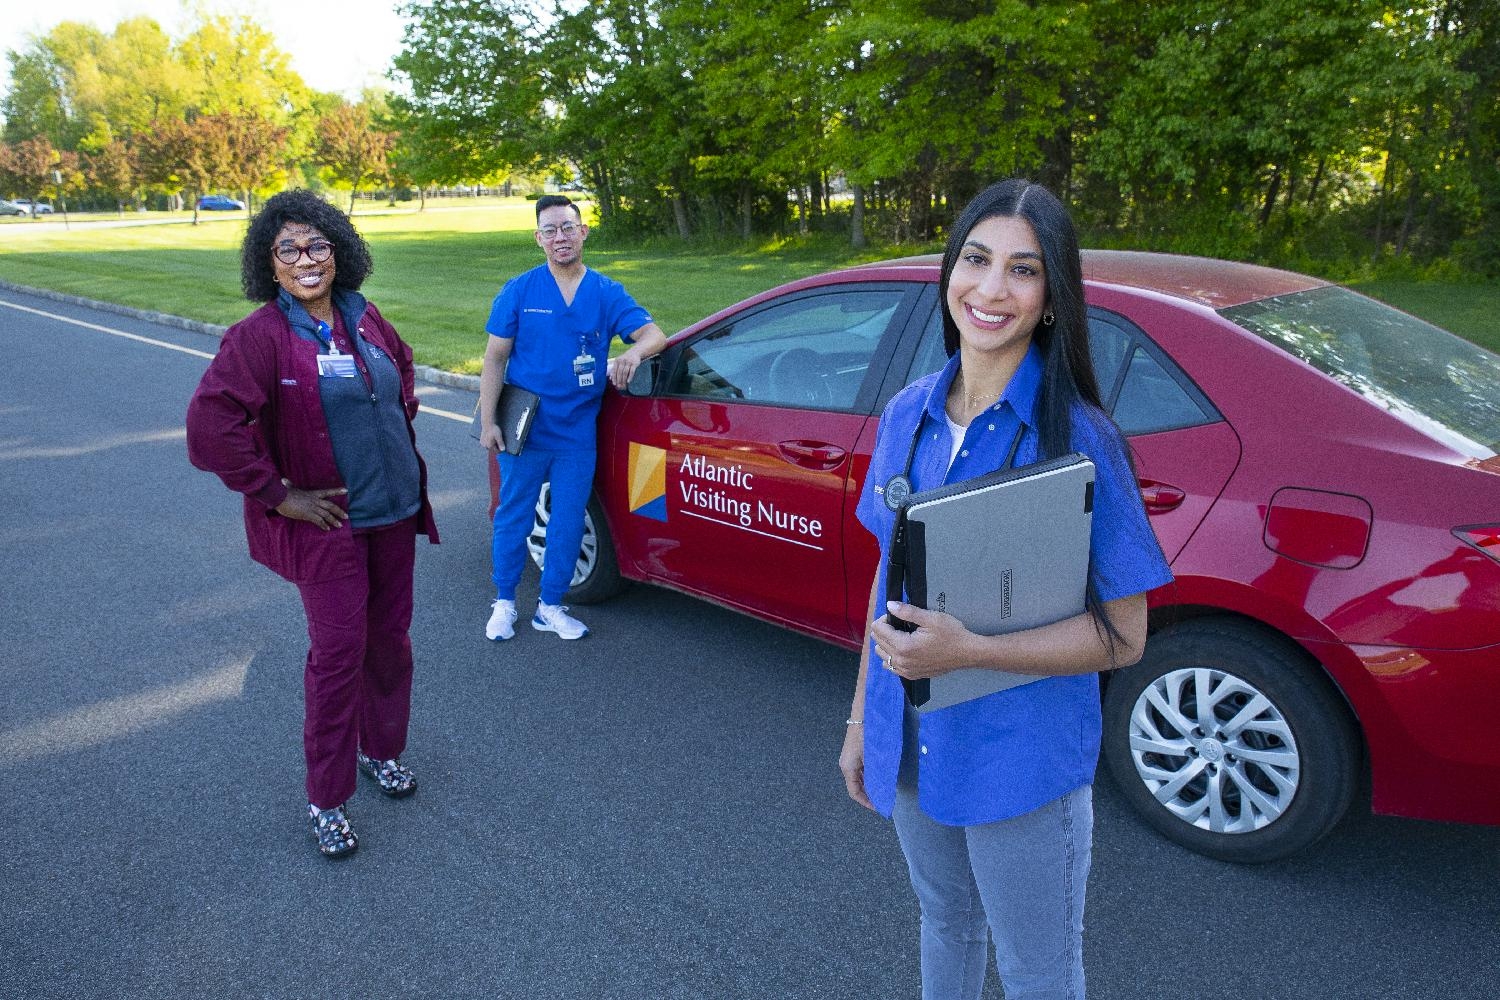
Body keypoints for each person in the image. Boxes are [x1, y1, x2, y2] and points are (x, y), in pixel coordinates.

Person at [838, 179, 1172, 998]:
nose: (991, 290)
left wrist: (971, 651)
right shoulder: (907, 413)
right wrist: (859, 723)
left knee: (1038, 970)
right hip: (916, 745)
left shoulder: (1081, 441)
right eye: (977, 260)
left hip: (1021, 761)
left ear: (1052, 299)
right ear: (949, 269)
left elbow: (1123, 637)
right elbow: (887, 587)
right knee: (945, 925)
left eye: (1023, 271)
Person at [186, 189, 439, 859]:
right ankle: (326, 799)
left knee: (390, 641)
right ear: (269, 265)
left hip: (393, 513)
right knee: (337, 655)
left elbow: (403, 368)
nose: (307, 258)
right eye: (289, 248)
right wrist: (277, 494)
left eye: (318, 244)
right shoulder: (260, 338)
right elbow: (209, 429)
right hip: (328, 526)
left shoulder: (365, 315)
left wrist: (389, 419)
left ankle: (380, 750)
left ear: (339, 250)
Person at [479, 195, 666, 641]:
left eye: (567, 227)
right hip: (525, 428)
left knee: (567, 520)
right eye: (550, 230)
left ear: (583, 232)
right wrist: (489, 422)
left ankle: (551, 605)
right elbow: (493, 359)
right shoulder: (520, 290)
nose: (559, 237)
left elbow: (655, 335)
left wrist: (632, 353)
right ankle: (504, 602)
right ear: (537, 238)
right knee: (515, 517)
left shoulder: (605, 292)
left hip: (577, 432)